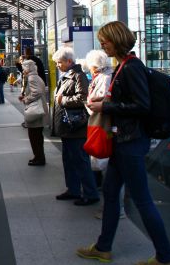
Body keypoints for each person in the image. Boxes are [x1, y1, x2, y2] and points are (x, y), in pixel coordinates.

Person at [77, 21, 170, 265]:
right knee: (110, 193)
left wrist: (106, 107)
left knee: (142, 200)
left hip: (130, 142)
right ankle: (103, 247)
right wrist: (109, 99)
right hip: (125, 141)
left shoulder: (131, 67)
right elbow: (132, 100)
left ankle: (165, 258)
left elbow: (142, 106)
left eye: (106, 41)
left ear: (118, 40)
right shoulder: (125, 66)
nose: (102, 45)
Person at [51, 47, 99, 206]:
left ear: (69, 61)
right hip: (67, 127)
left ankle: (90, 193)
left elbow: (82, 98)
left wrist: (62, 100)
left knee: (80, 161)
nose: (57, 65)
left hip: (76, 127)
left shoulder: (78, 76)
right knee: (69, 160)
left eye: (59, 62)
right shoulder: (66, 76)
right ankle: (73, 189)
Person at [84, 49, 126, 220]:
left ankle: (115, 209)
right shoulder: (108, 76)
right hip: (105, 126)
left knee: (109, 171)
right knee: (109, 170)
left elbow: (101, 101)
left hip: (105, 127)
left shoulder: (105, 78)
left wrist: (90, 103)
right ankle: (113, 207)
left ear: (94, 65)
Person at [19, 60, 47, 165]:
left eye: (23, 68)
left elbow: (37, 92)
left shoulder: (31, 78)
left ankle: (38, 158)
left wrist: (26, 99)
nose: (23, 70)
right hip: (40, 109)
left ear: (28, 68)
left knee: (34, 136)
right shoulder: (37, 77)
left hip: (35, 111)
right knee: (38, 136)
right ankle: (40, 156)